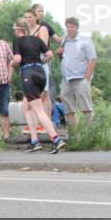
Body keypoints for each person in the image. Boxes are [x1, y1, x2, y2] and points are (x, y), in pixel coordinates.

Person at [12, 19, 66, 153]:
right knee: (27, 107)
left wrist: (11, 62)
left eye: (14, 28)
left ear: (18, 29)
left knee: (38, 109)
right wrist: (40, 62)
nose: (14, 31)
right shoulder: (37, 40)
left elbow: (18, 59)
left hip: (28, 74)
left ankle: (56, 139)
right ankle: (34, 141)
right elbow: (50, 54)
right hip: (41, 74)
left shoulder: (17, 41)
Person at [59, 17, 97, 130]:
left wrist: (87, 78)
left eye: (72, 26)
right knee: (68, 107)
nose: (70, 29)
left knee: (86, 107)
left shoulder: (85, 41)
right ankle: (74, 133)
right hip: (66, 78)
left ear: (77, 27)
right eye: (68, 26)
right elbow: (63, 58)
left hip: (81, 77)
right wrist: (59, 54)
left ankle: (90, 133)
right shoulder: (64, 40)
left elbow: (92, 60)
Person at [23, 8, 53, 116]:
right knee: (32, 94)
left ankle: (47, 120)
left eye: (30, 17)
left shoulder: (42, 28)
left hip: (40, 62)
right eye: (25, 18)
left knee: (44, 94)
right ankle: (36, 122)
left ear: (35, 17)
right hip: (28, 64)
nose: (28, 19)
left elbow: (43, 46)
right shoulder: (26, 31)